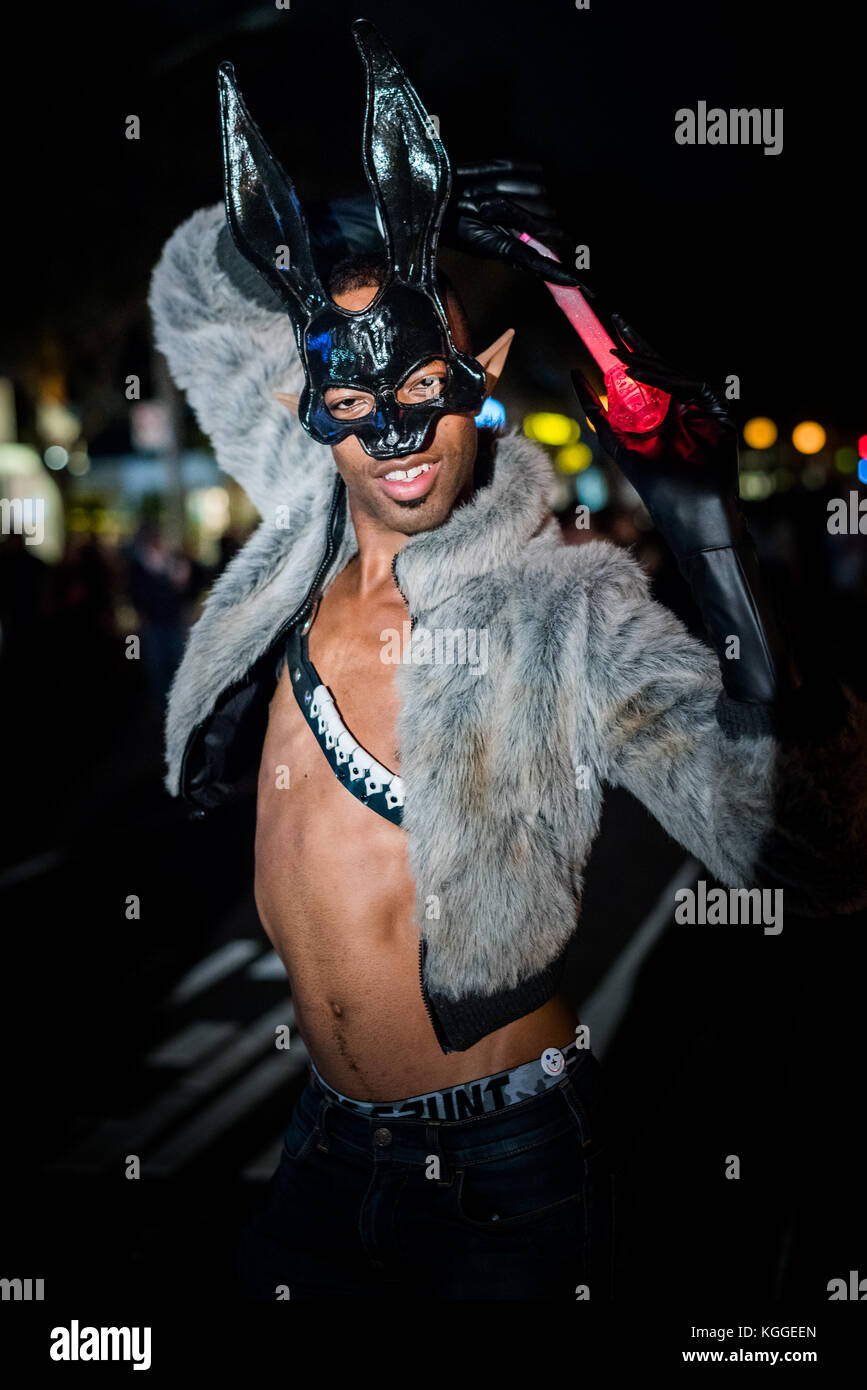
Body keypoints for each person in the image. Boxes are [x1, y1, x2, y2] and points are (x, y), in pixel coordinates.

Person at [148, 20, 867, 1301]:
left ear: (479, 377)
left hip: (502, 1170)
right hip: (313, 1142)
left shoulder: (558, 608)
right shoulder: (303, 510)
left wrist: (716, 545)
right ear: (307, 409)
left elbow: (811, 853)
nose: (396, 438)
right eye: (355, 406)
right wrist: (350, 219)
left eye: (425, 391)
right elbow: (194, 287)